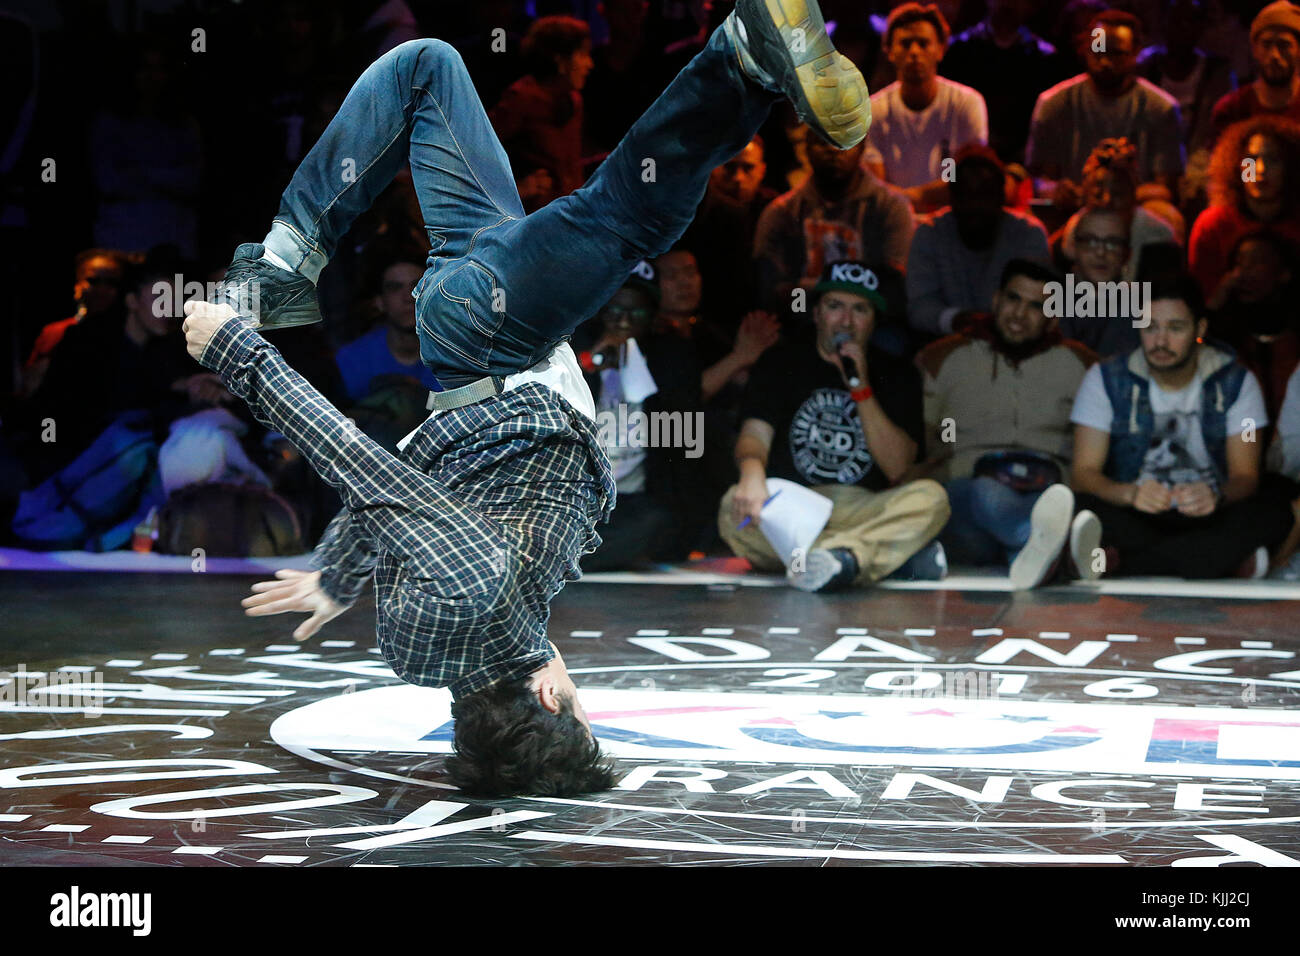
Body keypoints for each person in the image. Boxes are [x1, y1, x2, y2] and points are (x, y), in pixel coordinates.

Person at [181, 0, 871, 797]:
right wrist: (338, 573)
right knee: (426, 70)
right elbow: (410, 505)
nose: (575, 688)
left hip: (500, 336)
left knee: (626, 215)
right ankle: (284, 259)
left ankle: (740, 57)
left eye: (578, 705)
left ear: (550, 698)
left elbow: (371, 470)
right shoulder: (423, 651)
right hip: (471, 312)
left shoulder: (475, 590)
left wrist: (238, 353)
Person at [720, 259, 950, 592]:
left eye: (860, 310)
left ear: (874, 321)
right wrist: (751, 476)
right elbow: (755, 435)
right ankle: (870, 557)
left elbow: (898, 467)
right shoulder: (781, 361)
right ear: (816, 313)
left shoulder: (898, 373)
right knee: (732, 509)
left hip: (862, 505)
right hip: (793, 505)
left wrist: (861, 386)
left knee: (932, 498)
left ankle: (840, 558)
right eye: (835, 306)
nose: (846, 321)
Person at [1068, 274, 1294, 579]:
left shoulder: (1239, 383)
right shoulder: (1105, 379)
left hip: (1209, 514)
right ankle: (1217, 563)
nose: (1160, 341)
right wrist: (1129, 494)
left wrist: (1216, 496)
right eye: (1150, 327)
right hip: (1134, 513)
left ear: (1200, 329)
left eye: (1175, 328)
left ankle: (1119, 562)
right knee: (1078, 505)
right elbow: (1083, 473)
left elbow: (1246, 477)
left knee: (1274, 507)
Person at [913, 259, 1099, 588]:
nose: (1019, 314)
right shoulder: (944, 357)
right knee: (985, 492)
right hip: (967, 494)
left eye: (1036, 306)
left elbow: (1092, 449)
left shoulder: (1080, 365)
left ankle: (1031, 554)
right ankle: (1047, 545)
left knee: (1045, 509)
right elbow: (923, 441)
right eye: (1013, 299)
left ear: (1053, 315)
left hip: (1045, 489)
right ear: (996, 300)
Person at [754, 126, 914, 316]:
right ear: (807, 149)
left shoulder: (891, 207)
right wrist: (812, 313)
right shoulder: (781, 212)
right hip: (802, 319)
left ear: (861, 148)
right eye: (822, 142)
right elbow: (773, 287)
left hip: (873, 320)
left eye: (844, 142)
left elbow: (895, 285)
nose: (833, 149)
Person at [1026, 10, 1184, 194]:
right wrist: (1060, 192)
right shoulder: (1054, 104)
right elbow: (1039, 180)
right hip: (1071, 207)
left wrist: (1120, 198)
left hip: (1138, 208)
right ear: (1085, 49)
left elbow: (1166, 187)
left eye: (1116, 53)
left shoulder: (1161, 108)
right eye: (1098, 50)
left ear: (1135, 53)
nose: (1105, 62)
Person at [906, 146, 1050, 338]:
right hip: (944, 342)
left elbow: (1039, 305)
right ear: (952, 197)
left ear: (1001, 197)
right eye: (966, 194)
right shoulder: (929, 234)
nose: (975, 204)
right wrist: (957, 321)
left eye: (985, 194)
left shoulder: (1029, 235)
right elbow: (919, 307)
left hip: (1015, 340)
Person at [861, 2, 988, 209]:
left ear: (941, 49)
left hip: (951, 218)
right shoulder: (873, 110)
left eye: (923, 43)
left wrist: (912, 197)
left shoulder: (965, 104)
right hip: (893, 217)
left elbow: (965, 179)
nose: (914, 52)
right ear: (889, 51)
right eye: (905, 44)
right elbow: (874, 185)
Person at [1189, 114, 1300, 302]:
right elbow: (1200, 297)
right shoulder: (1213, 225)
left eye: (1273, 159)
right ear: (1237, 166)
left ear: (1290, 166)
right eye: (1251, 160)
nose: (1260, 169)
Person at [489, 16, 594, 212]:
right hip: (535, 220)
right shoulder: (521, 99)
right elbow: (475, 149)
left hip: (571, 216)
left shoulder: (573, 101)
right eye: (582, 54)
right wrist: (518, 189)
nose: (590, 64)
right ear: (560, 59)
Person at [940, 0, 1063, 166]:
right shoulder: (958, 51)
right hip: (969, 162)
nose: (1008, 3)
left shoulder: (1045, 58)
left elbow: (1046, 127)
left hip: (1024, 165)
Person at [19, 248, 128, 400]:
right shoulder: (55, 332)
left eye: (111, 282)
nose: (102, 289)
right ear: (78, 285)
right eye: (93, 281)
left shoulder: (129, 333)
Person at [334, 253, 440, 404]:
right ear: (379, 302)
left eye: (418, 286)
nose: (409, 297)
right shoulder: (352, 359)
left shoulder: (456, 354)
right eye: (395, 288)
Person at [1210, 0, 1300, 140]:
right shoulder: (1232, 108)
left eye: (1284, 45)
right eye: (1266, 44)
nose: (1274, 55)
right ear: (1255, 50)